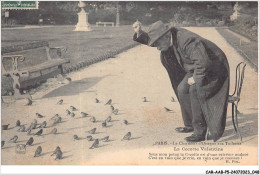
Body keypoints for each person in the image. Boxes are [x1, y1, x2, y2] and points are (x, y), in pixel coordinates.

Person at [133, 20, 230, 142]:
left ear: (166, 36)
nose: (157, 48)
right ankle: (190, 125)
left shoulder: (186, 40)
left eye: (157, 43)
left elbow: (204, 63)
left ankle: (200, 131)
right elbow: (152, 40)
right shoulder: (168, 36)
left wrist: (195, 78)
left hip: (214, 68)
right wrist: (139, 32)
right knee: (182, 89)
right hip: (198, 66)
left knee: (194, 90)